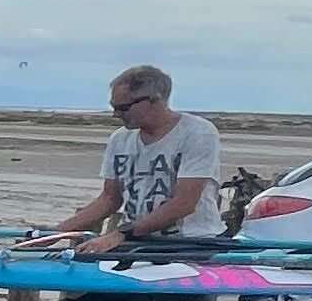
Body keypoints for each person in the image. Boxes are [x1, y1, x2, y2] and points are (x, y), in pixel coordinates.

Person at [53, 64, 228, 256]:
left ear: (154, 100)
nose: (116, 114)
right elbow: (109, 198)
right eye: (114, 107)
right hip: (137, 242)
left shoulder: (198, 132)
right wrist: (56, 232)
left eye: (123, 108)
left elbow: (184, 203)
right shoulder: (120, 139)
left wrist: (121, 233)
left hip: (190, 242)